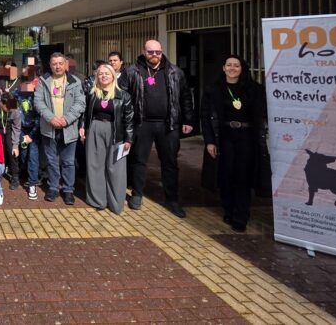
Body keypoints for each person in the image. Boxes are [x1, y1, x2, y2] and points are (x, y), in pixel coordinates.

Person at [122, 39, 195, 218]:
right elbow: (123, 97)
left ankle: (172, 199)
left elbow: (185, 96)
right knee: (138, 161)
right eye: (150, 52)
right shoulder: (132, 71)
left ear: (161, 52)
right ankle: (137, 194)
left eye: (157, 52)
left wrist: (189, 119)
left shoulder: (174, 72)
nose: (154, 55)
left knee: (170, 163)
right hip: (142, 123)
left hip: (168, 124)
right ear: (144, 52)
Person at [201, 55, 266, 231]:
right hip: (223, 137)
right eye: (228, 65)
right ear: (223, 68)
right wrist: (209, 142)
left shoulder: (254, 89)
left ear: (242, 68)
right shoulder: (213, 89)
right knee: (225, 175)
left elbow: (262, 115)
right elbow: (206, 117)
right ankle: (228, 210)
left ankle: (241, 215)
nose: (232, 68)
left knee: (243, 176)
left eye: (236, 65)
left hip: (246, 137)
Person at [35, 52, 86, 205]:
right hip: (49, 127)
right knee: (51, 161)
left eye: (60, 63)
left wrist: (66, 119)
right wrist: (51, 118)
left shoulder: (75, 82)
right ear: (50, 65)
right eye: (54, 64)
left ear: (66, 64)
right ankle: (53, 187)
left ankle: (69, 190)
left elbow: (80, 104)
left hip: (68, 128)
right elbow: (38, 102)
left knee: (68, 161)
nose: (57, 66)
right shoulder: (43, 81)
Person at [82, 63, 134, 214]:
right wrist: (82, 127)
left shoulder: (123, 95)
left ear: (113, 76)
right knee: (95, 165)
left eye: (107, 73)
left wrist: (128, 140)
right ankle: (98, 200)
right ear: (97, 76)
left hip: (116, 132)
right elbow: (85, 113)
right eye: (100, 74)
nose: (103, 76)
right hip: (95, 129)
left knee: (116, 168)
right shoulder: (92, 93)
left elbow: (129, 119)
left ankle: (116, 203)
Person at [14, 82, 41, 200]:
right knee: (24, 155)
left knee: (33, 157)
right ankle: (27, 176)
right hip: (21, 130)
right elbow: (11, 110)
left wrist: (31, 135)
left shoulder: (37, 96)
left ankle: (32, 184)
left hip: (34, 131)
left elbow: (40, 117)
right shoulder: (16, 94)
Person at [0, 91, 21, 191]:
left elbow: (17, 127)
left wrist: (15, 145)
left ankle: (15, 176)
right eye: (7, 108)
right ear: (1, 103)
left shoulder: (14, 108)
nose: (9, 110)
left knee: (11, 149)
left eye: (10, 108)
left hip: (9, 129)